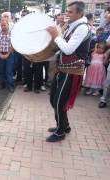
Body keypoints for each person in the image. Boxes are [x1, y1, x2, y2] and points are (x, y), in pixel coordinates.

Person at [46, 1, 90, 142]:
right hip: (63, 69)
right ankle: (64, 125)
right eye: (67, 11)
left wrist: (56, 35)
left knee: (59, 102)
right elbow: (62, 47)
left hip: (72, 71)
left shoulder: (82, 28)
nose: (67, 14)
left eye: (71, 12)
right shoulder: (72, 26)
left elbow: (69, 49)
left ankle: (60, 132)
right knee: (54, 99)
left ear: (80, 13)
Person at [0, 19, 14, 93]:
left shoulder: (12, 34)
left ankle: (10, 86)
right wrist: (0, 54)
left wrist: (7, 54)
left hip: (10, 54)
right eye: (2, 25)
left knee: (9, 71)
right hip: (0, 54)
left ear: (8, 25)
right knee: (1, 71)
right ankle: (1, 84)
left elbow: (13, 45)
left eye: (4, 25)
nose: (3, 26)